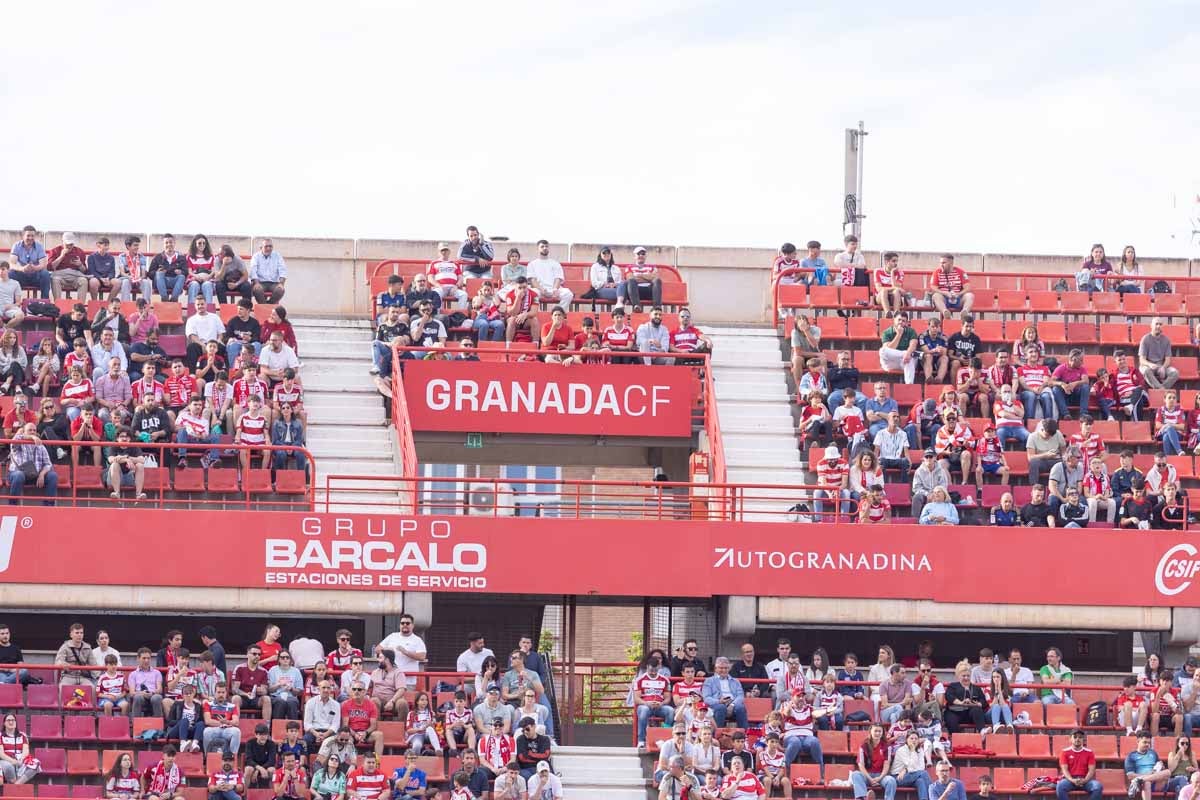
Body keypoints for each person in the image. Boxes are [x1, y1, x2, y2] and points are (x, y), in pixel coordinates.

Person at [8, 423, 58, 505]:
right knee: (18, 475)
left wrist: (42, 474)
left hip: (36, 475)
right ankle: (12, 506)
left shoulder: (41, 446)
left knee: (53, 476)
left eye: (34, 430)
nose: (32, 432)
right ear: (24, 432)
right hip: (18, 474)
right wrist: (32, 437)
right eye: (29, 430)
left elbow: (48, 464)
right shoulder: (18, 442)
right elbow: (15, 440)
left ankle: (49, 506)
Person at [633, 654, 674, 748]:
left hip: (660, 706)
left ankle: (664, 738)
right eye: (651, 670)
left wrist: (661, 703)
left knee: (670, 711)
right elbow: (636, 698)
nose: (653, 673)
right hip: (645, 705)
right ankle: (641, 740)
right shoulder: (639, 680)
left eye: (655, 670)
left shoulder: (664, 680)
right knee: (644, 711)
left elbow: (668, 698)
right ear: (647, 667)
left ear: (659, 667)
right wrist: (646, 703)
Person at [851, 723, 897, 800]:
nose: (877, 733)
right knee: (855, 774)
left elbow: (887, 764)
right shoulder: (864, 745)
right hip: (867, 775)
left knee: (891, 781)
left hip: (881, 776)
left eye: (880, 731)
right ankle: (862, 798)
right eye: (875, 731)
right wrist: (870, 779)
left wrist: (880, 778)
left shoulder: (887, 746)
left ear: (882, 733)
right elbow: (861, 765)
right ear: (870, 732)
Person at [703, 656, 748, 729]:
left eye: (726, 668)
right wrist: (719, 701)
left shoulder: (735, 681)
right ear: (715, 668)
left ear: (729, 668)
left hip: (733, 704)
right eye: (721, 668)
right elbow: (706, 698)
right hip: (717, 704)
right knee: (721, 708)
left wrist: (732, 705)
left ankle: (745, 734)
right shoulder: (709, 681)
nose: (723, 670)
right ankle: (717, 734)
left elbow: (740, 696)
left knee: (740, 707)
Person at [526, 240, 572, 309]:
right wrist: (542, 290)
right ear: (538, 249)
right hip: (539, 290)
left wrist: (555, 289)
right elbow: (533, 280)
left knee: (568, 294)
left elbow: (558, 278)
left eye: (546, 246)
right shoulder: (532, 264)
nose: (545, 248)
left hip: (553, 289)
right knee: (532, 293)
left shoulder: (555, 263)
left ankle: (557, 312)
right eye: (542, 247)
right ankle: (538, 315)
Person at [1126, 730, 1171, 800]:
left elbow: (1160, 769)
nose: (1147, 744)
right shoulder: (1131, 756)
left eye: (1149, 743)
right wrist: (1148, 776)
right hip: (1141, 785)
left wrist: (1161, 767)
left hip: (1156, 782)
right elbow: (1130, 775)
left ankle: (1141, 779)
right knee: (1147, 782)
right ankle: (1141, 780)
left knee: (1168, 772)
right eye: (1145, 742)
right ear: (1138, 742)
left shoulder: (1153, 753)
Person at [943, 663, 987, 734]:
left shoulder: (976, 688)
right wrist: (960, 703)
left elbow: (983, 701)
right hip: (954, 712)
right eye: (963, 676)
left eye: (968, 676)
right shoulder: (953, 686)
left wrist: (977, 704)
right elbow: (949, 696)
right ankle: (955, 739)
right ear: (958, 676)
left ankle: (982, 731)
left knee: (977, 710)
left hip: (970, 714)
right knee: (951, 719)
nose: (966, 678)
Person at [8, 225, 51, 298]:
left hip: (35, 275)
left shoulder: (39, 246)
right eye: (28, 236)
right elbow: (12, 264)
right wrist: (22, 268)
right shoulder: (16, 246)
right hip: (22, 275)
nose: (30, 238)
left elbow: (43, 264)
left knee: (45, 274)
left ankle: (45, 302)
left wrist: (34, 268)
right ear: (23, 236)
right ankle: (13, 303)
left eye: (32, 236)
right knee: (11, 273)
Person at [107, 427, 147, 501]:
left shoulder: (134, 447)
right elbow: (111, 460)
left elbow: (142, 460)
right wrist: (126, 459)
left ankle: (139, 495)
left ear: (130, 439)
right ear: (117, 438)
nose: (124, 439)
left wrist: (128, 458)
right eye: (122, 436)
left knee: (140, 465)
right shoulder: (113, 446)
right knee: (114, 465)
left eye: (127, 436)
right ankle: (116, 493)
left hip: (129, 477)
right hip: (113, 478)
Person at [929, 254, 974, 319]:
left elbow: (968, 287)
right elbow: (933, 288)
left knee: (970, 295)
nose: (941, 265)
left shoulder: (960, 272)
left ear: (951, 263)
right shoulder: (937, 272)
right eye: (940, 263)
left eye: (944, 263)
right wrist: (945, 293)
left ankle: (965, 312)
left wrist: (958, 294)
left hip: (958, 298)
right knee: (936, 296)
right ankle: (945, 313)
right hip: (944, 299)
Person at [1139, 317, 1179, 389]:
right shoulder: (1145, 339)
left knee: (1175, 373)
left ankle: (1161, 388)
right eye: (1156, 324)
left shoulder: (1166, 340)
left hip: (1161, 365)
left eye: (1160, 324)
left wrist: (1163, 367)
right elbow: (1142, 360)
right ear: (1151, 326)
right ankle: (1161, 389)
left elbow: (1168, 360)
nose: (1158, 326)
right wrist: (1150, 364)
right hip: (1148, 365)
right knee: (1146, 371)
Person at [165, 683, 206, 753]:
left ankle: (194, 744)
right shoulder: (177, 705)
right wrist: (182, 723)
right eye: (186, 694)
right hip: (177, 730)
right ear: (182, 695)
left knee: (201, 723)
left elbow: (201, 721)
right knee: (185, 721)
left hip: (191, 729)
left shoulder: (198, 706)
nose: (188, 695)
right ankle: (183, 744)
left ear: (193, 694)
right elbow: (169, 721)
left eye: (190, 693)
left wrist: (191, 724)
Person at [891, 730, 931, 800]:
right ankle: (934, 797)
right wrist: (912, 751)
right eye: (911, 738)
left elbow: (921, 767)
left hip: (912, 776)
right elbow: (911, 766)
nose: (914, 741)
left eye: (916, 739)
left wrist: (906, 769)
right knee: (924, 773)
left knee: (920, 781)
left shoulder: (920, 750)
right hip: (899, 777)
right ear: (907, 739)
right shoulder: (901, 750)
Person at [879, 311, 918, 383]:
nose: (900, 322)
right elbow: (889, 349)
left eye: (903, 321)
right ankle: (906, 354)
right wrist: (899, 334)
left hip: (904, 361)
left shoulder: (911, 331)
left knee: (909, 359)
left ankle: (909, 386)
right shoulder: (886, 332)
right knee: (882, 351)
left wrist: (908, 354)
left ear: (906, 323)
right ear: (894, 320)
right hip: (890, 362)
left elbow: (913, 345)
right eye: (899, 320)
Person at [0, 711, 38, 785]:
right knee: (8, 766)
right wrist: (12, 761)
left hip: (20, 760)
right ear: (4, 723)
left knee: (36, 764)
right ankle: (13, 783)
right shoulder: (1, 736)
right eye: (8, 720)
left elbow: (26, 751)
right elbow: (1, 753)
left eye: (13, 720)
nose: (11, 722)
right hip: (6, 760)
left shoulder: (22, 735)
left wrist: (21, 760)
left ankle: (16, 784)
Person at [1026, 418, 1066, 488]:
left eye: (1051, 436)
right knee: (1033, 463)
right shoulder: (1032, 437)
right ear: (1042, 429)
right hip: (1041, 461)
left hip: (1055, 460)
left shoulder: (1058, 434)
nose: (1049, 437)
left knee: (1065, 463)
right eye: (1047, 435)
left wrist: (1062, 457)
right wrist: (1045, 455)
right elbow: (1030, 457)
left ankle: (1064, 487)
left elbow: (1063, 451)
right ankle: (1034, 487)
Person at [426, 243, 468, 309]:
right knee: (436, 294)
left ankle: (461, 315)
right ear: (438, 252)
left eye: (446, 250)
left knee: (464, 294)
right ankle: (439, 315)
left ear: (449, 252)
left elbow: (460, 278)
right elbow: (430, 278)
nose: (444, 252)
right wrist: (438, 285)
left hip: (453, 288)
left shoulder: (455, 263)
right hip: (440, 287)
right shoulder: (434, 263)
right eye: (442, 250)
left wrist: (456, 286)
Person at [623, 246, 662, 310]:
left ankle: (657, 307)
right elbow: (630, 278)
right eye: (638, 254)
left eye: (643, 254)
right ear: (634, 256)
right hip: (635, 291)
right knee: (631, 281)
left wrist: (639, 275)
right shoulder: (629, 267)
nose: (641, 255)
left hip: (650, 291)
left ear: (645, 256)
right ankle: (636, 306)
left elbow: (656, 278)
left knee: (657, 281)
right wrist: (648, 278)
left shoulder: (652, 267)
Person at [250, 239, 287, 304]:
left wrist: (281, 283)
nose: (268, 248)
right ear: (261, 248)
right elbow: (253, 270)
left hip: (274, 283)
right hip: (260, 282)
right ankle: (267, 308)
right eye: (266, 246)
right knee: (257, 290)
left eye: (270, 246)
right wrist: (256, 283)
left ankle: (268, 306)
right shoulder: (256, 256)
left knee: (280, 290)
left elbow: (283, 270)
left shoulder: (277, 255)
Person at [874, 251, 907, 318]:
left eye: (896, 261)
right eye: (893, 261)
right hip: (880, 297)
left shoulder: (900, 273)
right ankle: (887, 314)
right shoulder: (878, 271)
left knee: (896, 291)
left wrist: (892, 273)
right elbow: (878, 289)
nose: (896, 263)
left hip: (894, 297)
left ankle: (896, 314)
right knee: (884, 291)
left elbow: (897, 287)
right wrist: (894, 288)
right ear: (886, 262)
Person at [0, 262, 25, 329]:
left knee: (21, 316)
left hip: (9, 307)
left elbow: (18, 302)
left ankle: (5, 329)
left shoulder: (15, 283)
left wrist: (11, 306)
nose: (0, 272)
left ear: (8, 270)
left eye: (3, 269)